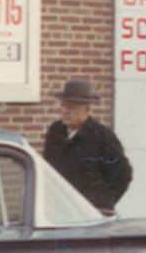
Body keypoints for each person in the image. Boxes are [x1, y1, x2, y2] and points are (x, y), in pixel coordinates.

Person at [42, 78, 133, 213]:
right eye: (63, 105)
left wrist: (103, 204)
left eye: (71, 107)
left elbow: (123, 175)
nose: (65, 111)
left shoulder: (103, 137)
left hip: (89, 213)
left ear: (87, 109)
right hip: (59, 210)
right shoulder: (55, 132)